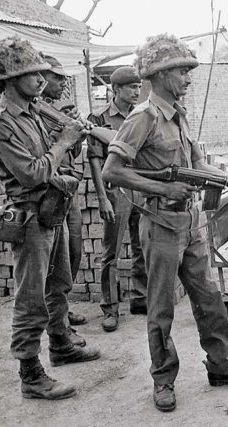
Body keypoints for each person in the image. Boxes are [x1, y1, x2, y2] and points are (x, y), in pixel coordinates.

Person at [102, 34, 228, 412]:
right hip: (160, 224)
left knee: (210, 299)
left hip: (190, 224)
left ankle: (221, 366)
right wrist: (164, 187)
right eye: (181, 72)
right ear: (161, 75)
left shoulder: (179, 115)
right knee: (161, 309)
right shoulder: (142, 117)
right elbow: (112, 171)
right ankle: (163, 379)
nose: (188, 79)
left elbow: (199, 166)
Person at [0, 37, 100, 400]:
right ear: (10, 77)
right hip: (30, 218)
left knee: (59, 283)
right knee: (31, 297)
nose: (40, 79)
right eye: (32, 73)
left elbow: (46, 160)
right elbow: (31, 174)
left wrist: (64, 156)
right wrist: (63, 143)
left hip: (51, 209)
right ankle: (30, 374)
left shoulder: (33, 111)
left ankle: (61, 344)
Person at [87, 66, 147, 332]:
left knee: (141, 246)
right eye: (132, 87)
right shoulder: (99, 118)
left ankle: (140, 299)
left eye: (139, 87)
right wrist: (102, 198)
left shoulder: (141, 115)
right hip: (115, 191)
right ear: (116, 89)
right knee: (111, 252)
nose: (137, 91)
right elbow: (95, 160)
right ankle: (110, 308)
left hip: (140, 188)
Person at [39, 54, 88, 345]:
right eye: (56, 78)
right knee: (55, 263)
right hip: (52, 191)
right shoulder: (36, 113)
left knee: (73, 251)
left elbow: (74, 152)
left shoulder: (58, 109)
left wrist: (75, 131)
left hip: (69, 190)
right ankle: (58, 323)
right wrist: (59, 129)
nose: (63, 83)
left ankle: (63, 311)